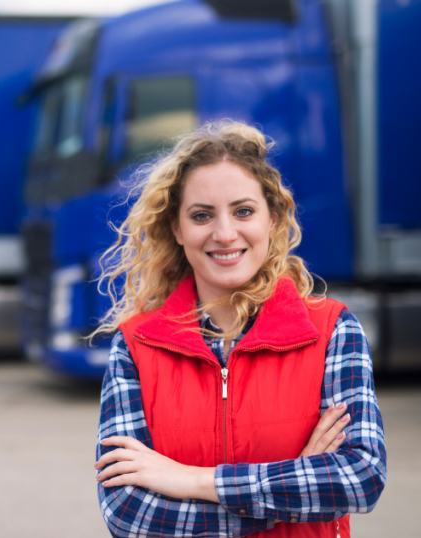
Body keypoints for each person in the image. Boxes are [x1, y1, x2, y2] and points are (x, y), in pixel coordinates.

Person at [91, 121, 386, 537]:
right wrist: (296, 486)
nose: (225, 233)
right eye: (201, 215)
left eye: (244, 211)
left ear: (273, 218)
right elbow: (130, 514)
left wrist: (192, 480)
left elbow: (361, 478)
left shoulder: (333, 331)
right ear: (177, 229)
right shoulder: (135, 346)